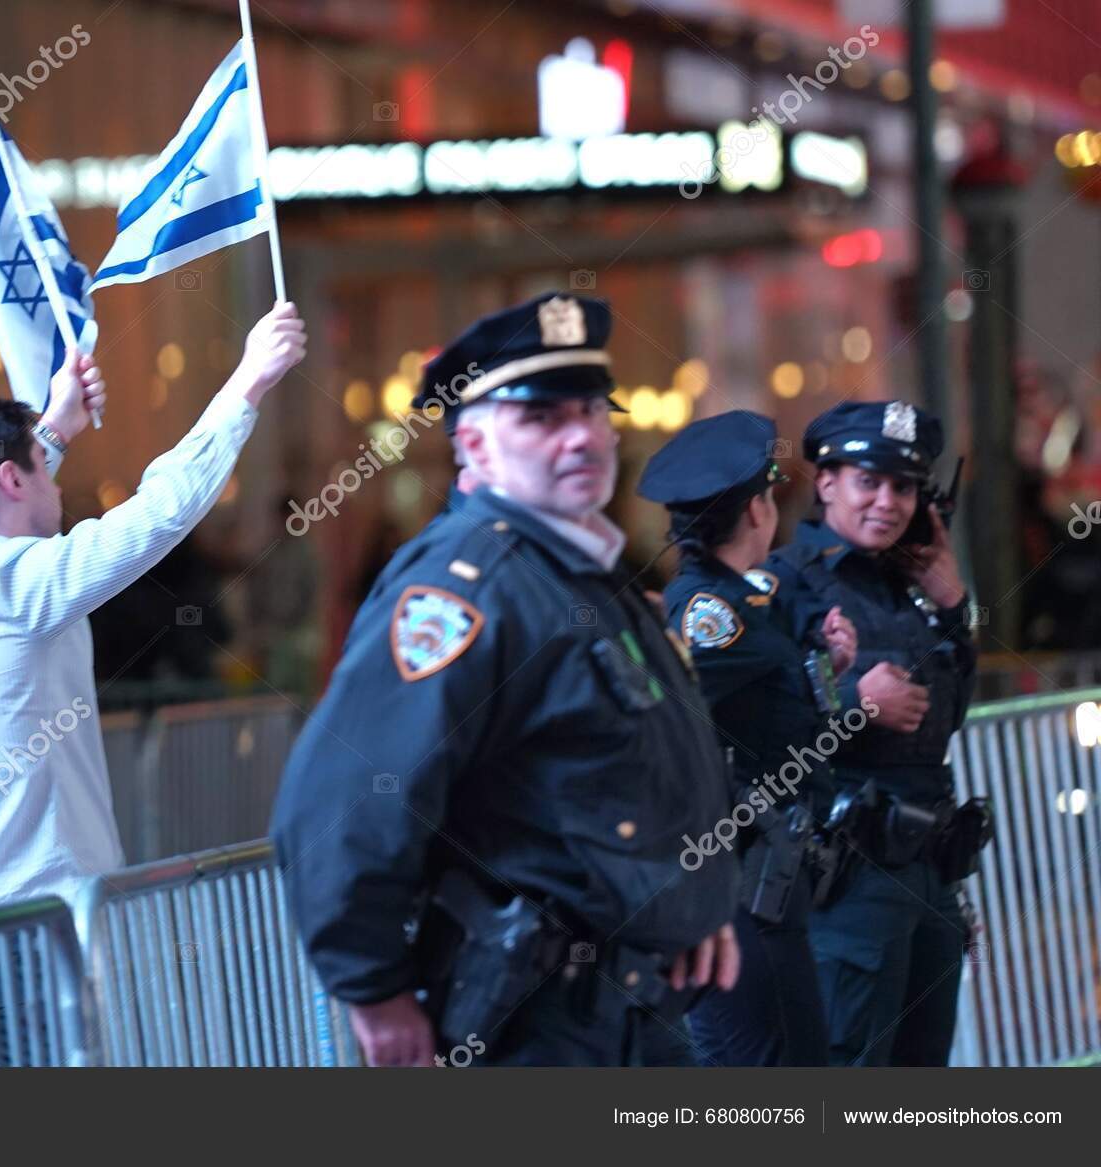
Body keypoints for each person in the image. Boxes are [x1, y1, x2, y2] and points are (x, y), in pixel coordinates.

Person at [271, 292, 741, 1068]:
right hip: (533, 1021)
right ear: (476, 448)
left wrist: (694, 902)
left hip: (631, 1003)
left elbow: (637, 770)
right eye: (543, 418)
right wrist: (373, 989)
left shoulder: (582, 574)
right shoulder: (471, 587)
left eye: (592, 410)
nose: (582, 436)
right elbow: (342, 801)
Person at [0, 303, 306, 916]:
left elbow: (8, 493)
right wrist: (250, 379)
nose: (56, 483)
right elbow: (164, 510)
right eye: (41, 471)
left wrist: (53, 429)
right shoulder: (19, 589)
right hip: (41, 918)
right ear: (13, 482)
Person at [637, 410, 857, 1066]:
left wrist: (828, 665)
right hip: (734, 887)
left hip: (767, 885)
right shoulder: (709, 614)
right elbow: (667, 723)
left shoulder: (740, 602)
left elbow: (775, 698)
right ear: (758, 510)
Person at [768, 400, 983, 1066]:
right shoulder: (783, 583)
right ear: (825, 481)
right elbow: (749, 724)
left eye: (904, 485)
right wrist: (853, 705)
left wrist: (953, 609)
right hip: (848, 877)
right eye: (869, 481)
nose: (887, 501)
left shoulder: (913, 582)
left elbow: (946, 718)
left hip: (928, 866)